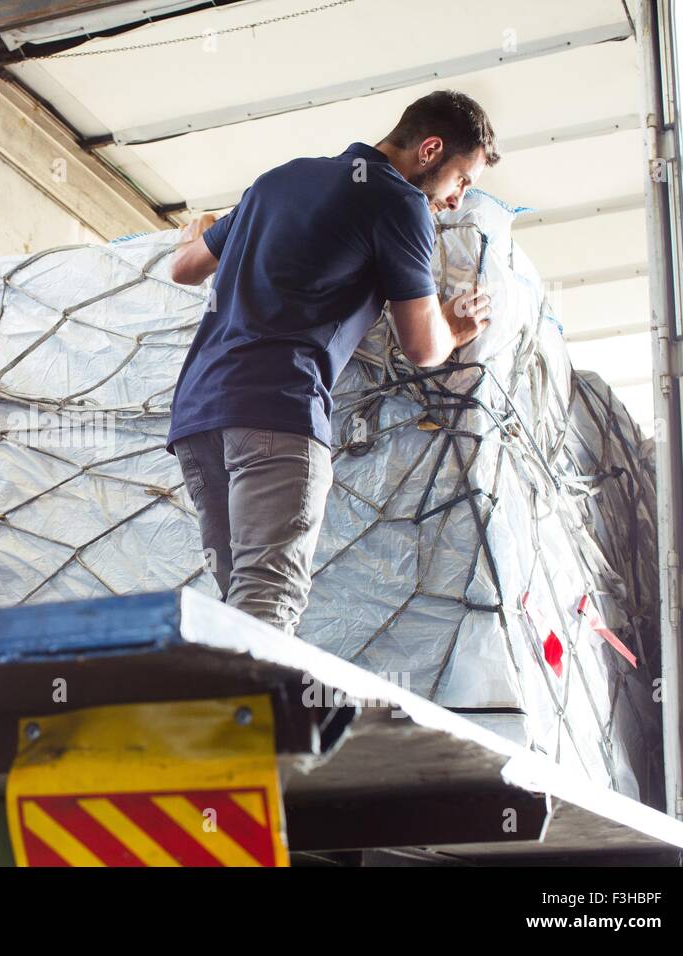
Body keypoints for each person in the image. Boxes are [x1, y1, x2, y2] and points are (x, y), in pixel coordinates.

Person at [167, 90, 497, 633]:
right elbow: (421, 347)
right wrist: (455, 328)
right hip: (277, 409)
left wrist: (200, 232)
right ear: (431, 149)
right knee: (267, 601)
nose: (458, 200)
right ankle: (251, 718)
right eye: (462, 180)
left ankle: (221, 711)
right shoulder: (399, 203)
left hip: (198, 415)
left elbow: (184, 268)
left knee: (239, 606)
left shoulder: (279, 179)